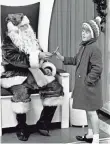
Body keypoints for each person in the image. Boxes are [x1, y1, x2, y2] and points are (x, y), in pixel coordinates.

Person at [1, 13, 55, 141]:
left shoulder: (32, 40)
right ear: (15, 29)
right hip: (15, 75)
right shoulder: (8, 43)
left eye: (27, 26)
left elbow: (40, 55)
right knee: (21, 93)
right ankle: (21, 127)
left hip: (35, 74)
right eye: (23, 26)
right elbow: (16, 60)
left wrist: (46, 66)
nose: (26, 29)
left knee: (55, 88)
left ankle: (43, 123)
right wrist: (38, 57)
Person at [55, 16, 103, 144]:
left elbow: (97, 68)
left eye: (87, 31)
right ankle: (90, 134)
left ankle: (96, 139)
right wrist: (62, 58)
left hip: (91, 87)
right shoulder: (83, 47)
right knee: (88, 111)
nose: (83, 33)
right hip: (85, 86)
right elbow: (76, 60)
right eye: (83, 30)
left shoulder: (94, 48)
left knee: (92, 112)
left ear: (92, 35)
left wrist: (88, 81)